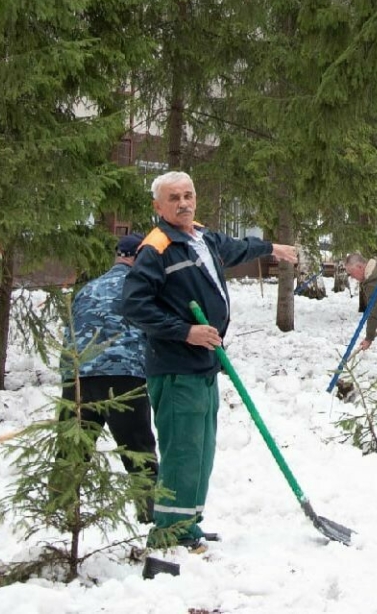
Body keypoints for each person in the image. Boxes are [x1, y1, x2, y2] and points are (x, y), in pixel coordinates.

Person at [122, 171, 298, 551]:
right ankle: (168, 529)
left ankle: (189, 521)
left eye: (188, 195)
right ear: (158, 206)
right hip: (175, 365)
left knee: (202, 449)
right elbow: (134, 306)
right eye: (174, 198)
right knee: (182, 450)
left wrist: (272, 249)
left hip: (204, 364)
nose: (183, 203)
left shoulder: (201, 237)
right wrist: (185, 332)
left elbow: (235, 248)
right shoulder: (157, 247)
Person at [62, 234, 158, 522]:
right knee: (138, 449)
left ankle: (62, 514)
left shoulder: (87, 288)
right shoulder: (140, 288)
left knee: (72, 453)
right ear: (138, 258)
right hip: (123, 376)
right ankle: (149, 514)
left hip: (77, 378)